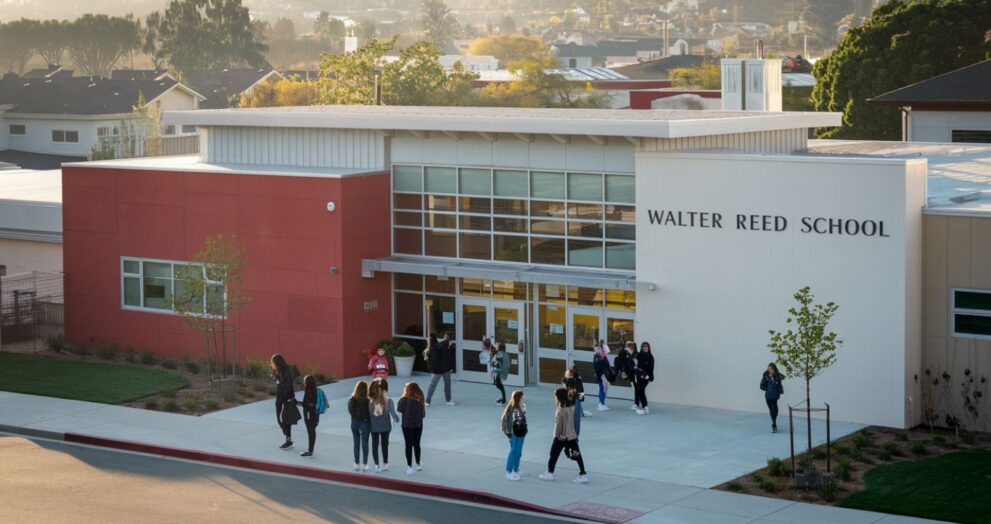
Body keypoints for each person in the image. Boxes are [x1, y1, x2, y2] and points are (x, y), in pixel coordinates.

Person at [538, 388, 588, 484]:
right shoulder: (571, 405)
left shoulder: (561, 409)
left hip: (561, 436)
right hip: (571, 435)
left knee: (553, 454)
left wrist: (562, 435)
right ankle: (583, 474)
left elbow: (563, 424)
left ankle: (550, 473)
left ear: (559, 397)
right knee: (577, 455)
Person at [368, 379, 399, 472]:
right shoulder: (389, 401)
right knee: (385, 444)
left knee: (375, 445)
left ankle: (377, 465)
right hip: (386, 426)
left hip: (374, 426)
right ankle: (385, 464)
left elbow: (369, 414)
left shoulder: (370, 402)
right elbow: (394, 415)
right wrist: (396, 418)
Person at [397, 382, 426, 475]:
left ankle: (409, 466)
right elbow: (423, 414)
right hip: (418, 425)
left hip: (407, 425)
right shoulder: (420, 399)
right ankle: (418, 463)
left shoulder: (404, 400)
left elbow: (399, 409)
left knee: (408, 445)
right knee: (417, 444)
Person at [270, 354, 296, 450]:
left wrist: (287, 399)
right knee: (284, 421)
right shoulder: (283, 371)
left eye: (272, 362)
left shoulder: (284, 372)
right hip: (282, 400)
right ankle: (288, 440)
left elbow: (287, 385)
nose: (271, 365)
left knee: (283, 421)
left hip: (284, 401)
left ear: (277, 363)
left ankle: (288, 440)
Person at [500, 390, 527, 481]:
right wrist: (509, 434)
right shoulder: (512, 408)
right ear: (519, 398)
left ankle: (516, 469)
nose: (524, 398)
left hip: (521, 432)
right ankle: (509, 471)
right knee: (513, 451)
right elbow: (507, 423)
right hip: (514, 433)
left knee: (519, 452)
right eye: (523, 396)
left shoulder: (522, 406)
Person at [425, 332, 455, 406]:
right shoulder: (445, 346)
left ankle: (427, 401)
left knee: (432, 385)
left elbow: (432, 360)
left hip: (439, 370)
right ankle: (448, 400)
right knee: (447, 385)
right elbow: (450, 358)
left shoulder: (434, 347)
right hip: (444, 369)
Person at [348, 380, 372, 471]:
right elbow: (370, 412)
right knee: (365, 443)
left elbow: (351, 411)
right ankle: (365, 464)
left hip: (355, 423)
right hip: (365, 423)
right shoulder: (368, 400)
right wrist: (365, 418)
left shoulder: (352, 399)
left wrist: (357, 417)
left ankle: (356, 463)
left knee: (356, 443)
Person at [760, 363, 785, 432]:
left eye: (770, 368)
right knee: (771, 410)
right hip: (768, 394)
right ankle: (774, 424)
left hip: (775, 394)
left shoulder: (777, 374)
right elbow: (762, 383)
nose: (769, 370)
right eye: (768, 368)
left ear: (774, 369)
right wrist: (767, 378)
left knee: (774, 409)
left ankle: (774, 424)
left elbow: (781, 379)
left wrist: (773, 377)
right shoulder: (766, 374)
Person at [562, 366, 587, 436]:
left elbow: (581, 392)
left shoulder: (578, 380)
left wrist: (580, 397)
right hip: (568, 402)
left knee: (576, 421)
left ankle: (575, 437)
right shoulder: (566, 380)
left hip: (575, 401)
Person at [299, 375, 319, 457]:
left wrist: (296, 402)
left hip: (309, 415)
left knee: (311, 432)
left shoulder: (308, 392)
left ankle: (310, 451)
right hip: (315, 414)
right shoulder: (315, 390)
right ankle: (310, 450)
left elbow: (307, 404)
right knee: (312, 432)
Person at [634, 342, 655, 415]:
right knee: (640, 390)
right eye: (643, 347)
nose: (645, 348)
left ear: (648, 348)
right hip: (639, 376)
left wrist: (646, 375)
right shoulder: (639, 355)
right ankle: (643, 406)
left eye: (646, 347)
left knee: (641, 390)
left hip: (646, 376)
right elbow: (636, 365)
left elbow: (651, 368)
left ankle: (645, 407)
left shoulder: (650, 356)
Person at [617, 342, 638, 411]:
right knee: (634, 388)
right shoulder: (626, 353)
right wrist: (624, 350)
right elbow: (620, 358)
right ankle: (637, 402)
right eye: (629, 345)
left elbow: (636, 363)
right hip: (630, 373)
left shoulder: (636, 354)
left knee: (636, 388)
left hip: (636, 373)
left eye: (632, 346)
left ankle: (636, 403)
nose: (631, 347)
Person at [592, 340, 611, 411]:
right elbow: (599, 366)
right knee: (602, 388)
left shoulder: (600, 356)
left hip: (602, 374)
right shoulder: (598, 356)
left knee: (603, 388)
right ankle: (601, 404)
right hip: (601, 375)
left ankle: (601, 403)